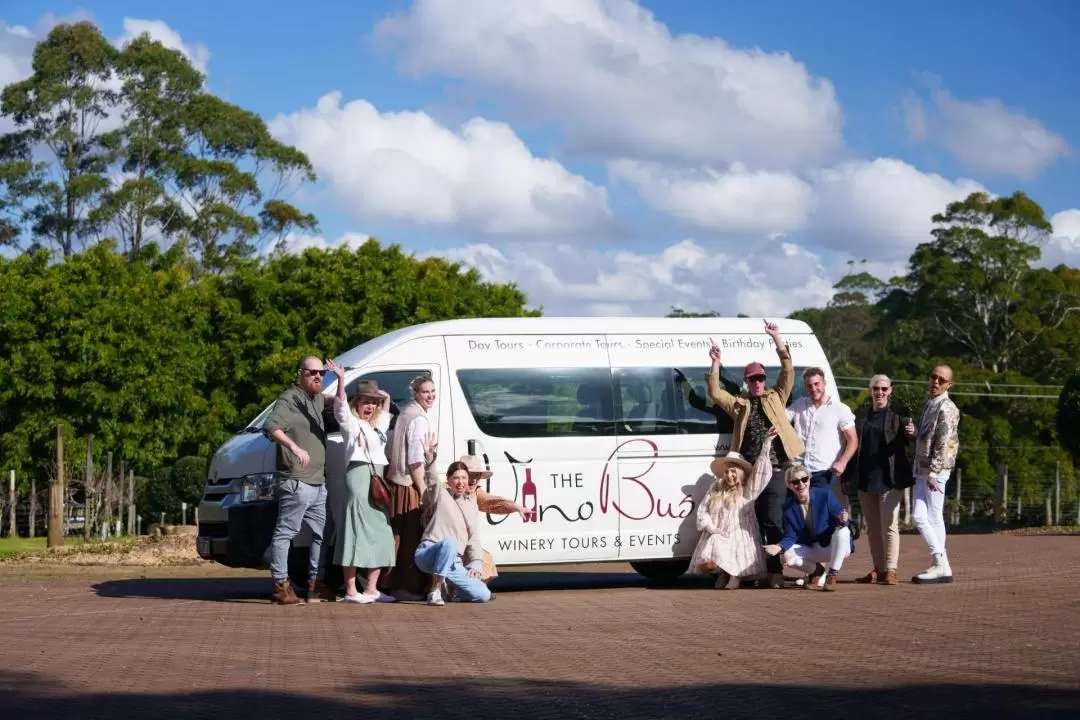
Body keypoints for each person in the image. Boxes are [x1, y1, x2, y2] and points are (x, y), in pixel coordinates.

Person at [705, 320, 805, 589]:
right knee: (744, 521)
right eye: (753, 379)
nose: (758, 382)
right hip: (748, 470)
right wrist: (716, 362)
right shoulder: (740, 404)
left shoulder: (776, 396)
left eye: (761, 377)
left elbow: (788, 370)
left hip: (774, 469)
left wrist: (777, 338)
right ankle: (748, 569)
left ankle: (774, 571)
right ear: (747, 382)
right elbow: (715, 392)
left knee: (772, 519)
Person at [264, 355, 336, 605]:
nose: (318, 376)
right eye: (312, 372)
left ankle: (315, 585)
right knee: (286, 533)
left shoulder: (316, 399)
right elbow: (271, 426)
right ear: (300, 373)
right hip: (296, 481)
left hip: (318, 482)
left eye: (322, 373)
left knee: (322, 534)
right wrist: (294, 447)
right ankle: (281, 586)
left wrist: (343, 382)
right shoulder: (289, 399)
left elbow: (339, 406)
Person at [327, 360, 396, 604]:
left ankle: (372, 589)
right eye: (366, 401)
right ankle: (351, 590)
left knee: (382, 532)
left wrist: (382, 395)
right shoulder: (351, 423)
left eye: (373, 402)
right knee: (354, 531)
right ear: (357, 403)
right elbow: (340, 406)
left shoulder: (378, 425)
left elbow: (387, 408)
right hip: (357, 477)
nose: (370, 406)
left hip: (376, 477)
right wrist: (342, 380)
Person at [840, 374, 914, 586]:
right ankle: (879, 569)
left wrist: (912, 432)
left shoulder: (899, 414)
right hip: (866, 478)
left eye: (883, 389)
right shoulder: (861, 415)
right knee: (872, 528)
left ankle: (891, 569)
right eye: (876, 389)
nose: (879, 393)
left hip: (891, 478)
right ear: (870, 390)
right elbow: (851, 443)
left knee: (889, 525)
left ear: (890, 390)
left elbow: (910, 436)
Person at [689, 428, 778, 589]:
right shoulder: (716, 487)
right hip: (719, 531)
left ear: (740, 472)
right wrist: (711, 528)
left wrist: (767, 444)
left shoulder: (748, 489)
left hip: (740, 534)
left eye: (733, 471)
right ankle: (723, 573)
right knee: (714, 543)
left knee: (730, 544)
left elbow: (761, 471)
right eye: (727, 471)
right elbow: (703, 509)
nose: (730, 475)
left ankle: (735, 575)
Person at [380, 375, 439, 601]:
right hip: (408, 485)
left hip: (396, 483)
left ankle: (390, 584)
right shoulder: (419, 419)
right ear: (415, 393)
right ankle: (406, 587)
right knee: (410, 538)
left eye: (432, 391)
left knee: (397, 536)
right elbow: (415, 462)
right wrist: (424, 493)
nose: (430, 395)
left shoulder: (405, 413)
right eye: (425, 392)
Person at [414, 461, 493, 606]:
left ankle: (451, 589)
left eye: (464, 478)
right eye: (456, 478)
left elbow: (474, 537)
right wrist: (430, 459)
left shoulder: (471, 505)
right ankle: (435, 590)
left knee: (483, 595)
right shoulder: (440, 495)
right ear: (449, 480)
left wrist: (476, 562)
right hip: (429, 552)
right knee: (450, 543)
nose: (460, 482)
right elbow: (432, 480)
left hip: (453, 562)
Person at [909, 365, 961, 584]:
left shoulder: (947, 408)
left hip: (934, 471)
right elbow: (929, 437)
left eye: (941, 380)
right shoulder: (931, 403)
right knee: (921, 516)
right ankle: (942, 565)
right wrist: (915, 435)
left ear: (949, 384)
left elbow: (944, 443)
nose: (936, 382)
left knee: (931, 516)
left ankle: (940, 563)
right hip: (922, 468)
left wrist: (933, 473)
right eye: (933, 377)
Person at [764, 464, 853, 592]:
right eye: (795, 482)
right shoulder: (788, 507)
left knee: (843, 531)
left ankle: (832, 575)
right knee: (786, 556)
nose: (800, 484)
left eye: (804, 479)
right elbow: (790, 535)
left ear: (809, 480)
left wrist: (842, 520)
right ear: (789, 485)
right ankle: (816, 570)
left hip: (835, 546)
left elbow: (841, 517)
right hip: (814, 548)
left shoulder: (825, 495)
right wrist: (779, 547)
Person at [786, 367, 858, 510]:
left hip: (824, 472)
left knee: (822, 516)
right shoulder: (800, 405)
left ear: (824, 383)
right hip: (799, 471)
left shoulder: (840, 409)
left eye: (817, 384)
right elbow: (780, 420)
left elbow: (853, 440)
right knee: (798, 515)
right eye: (809, 385)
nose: (813, 388)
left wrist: (842, 462)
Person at [458, 454, 527, 584]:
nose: (474, 480)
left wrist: (516, 507)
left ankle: (470, 587)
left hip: (467, 546)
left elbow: (493, 502)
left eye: (477, 476)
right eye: (471, 475)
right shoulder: (446, 491)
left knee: (484, 558)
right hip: (447, 545)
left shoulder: (475, 493)